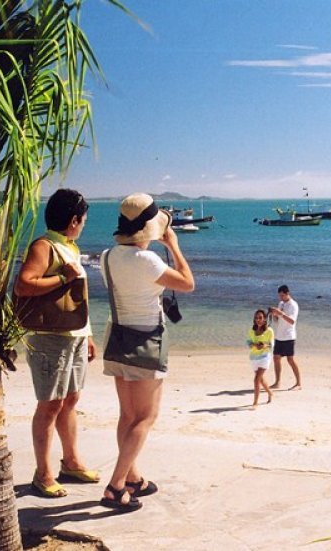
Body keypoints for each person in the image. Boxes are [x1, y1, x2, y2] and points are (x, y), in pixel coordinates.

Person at [99, 193, 195, 512]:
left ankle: (132, 477)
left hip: (117, 338)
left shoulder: (107, 257)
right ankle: (115, 486)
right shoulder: (148, 261)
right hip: (146, 342)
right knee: (146, 417)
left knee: (127, 415)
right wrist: (173, 246)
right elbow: (187, 283)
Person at [15, 188, 98, 498]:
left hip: (73, 335)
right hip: (49, 338)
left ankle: (72, 462)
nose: (84, 224)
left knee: (70, 400)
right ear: (73, 219)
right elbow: (24, 285)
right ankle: (43, 473)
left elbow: (76, 298)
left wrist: (87, 333)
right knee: (50, 405)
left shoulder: (70, 247)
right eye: (84, 220)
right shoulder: (44, 245)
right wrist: (63, 278)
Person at [269, 285, 301, 390]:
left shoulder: (293, 305)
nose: (281, 298)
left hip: (289, 336)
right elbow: (277, 321)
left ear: (288, 293)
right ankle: (277, 382)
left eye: (282, 295)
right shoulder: (281, 303)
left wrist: (281, 313)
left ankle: (298, 383)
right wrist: (274, 314)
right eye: (279, 296)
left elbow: (292, 321)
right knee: (276, 358)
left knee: (290, 360)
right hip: (279, 336)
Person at [246, 309, 274, 407]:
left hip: (264, 357)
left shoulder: (269, 331)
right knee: (260, 379)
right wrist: (255, 345)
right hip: (254, 358)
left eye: (260, 318)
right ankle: (270, 393)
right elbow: (248, 343)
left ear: (265, 319)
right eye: (256, 318)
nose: (258, 319)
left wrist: (263, 346)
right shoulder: (251, 331)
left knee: (256, 379)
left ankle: (255, 402)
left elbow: (271, 345)